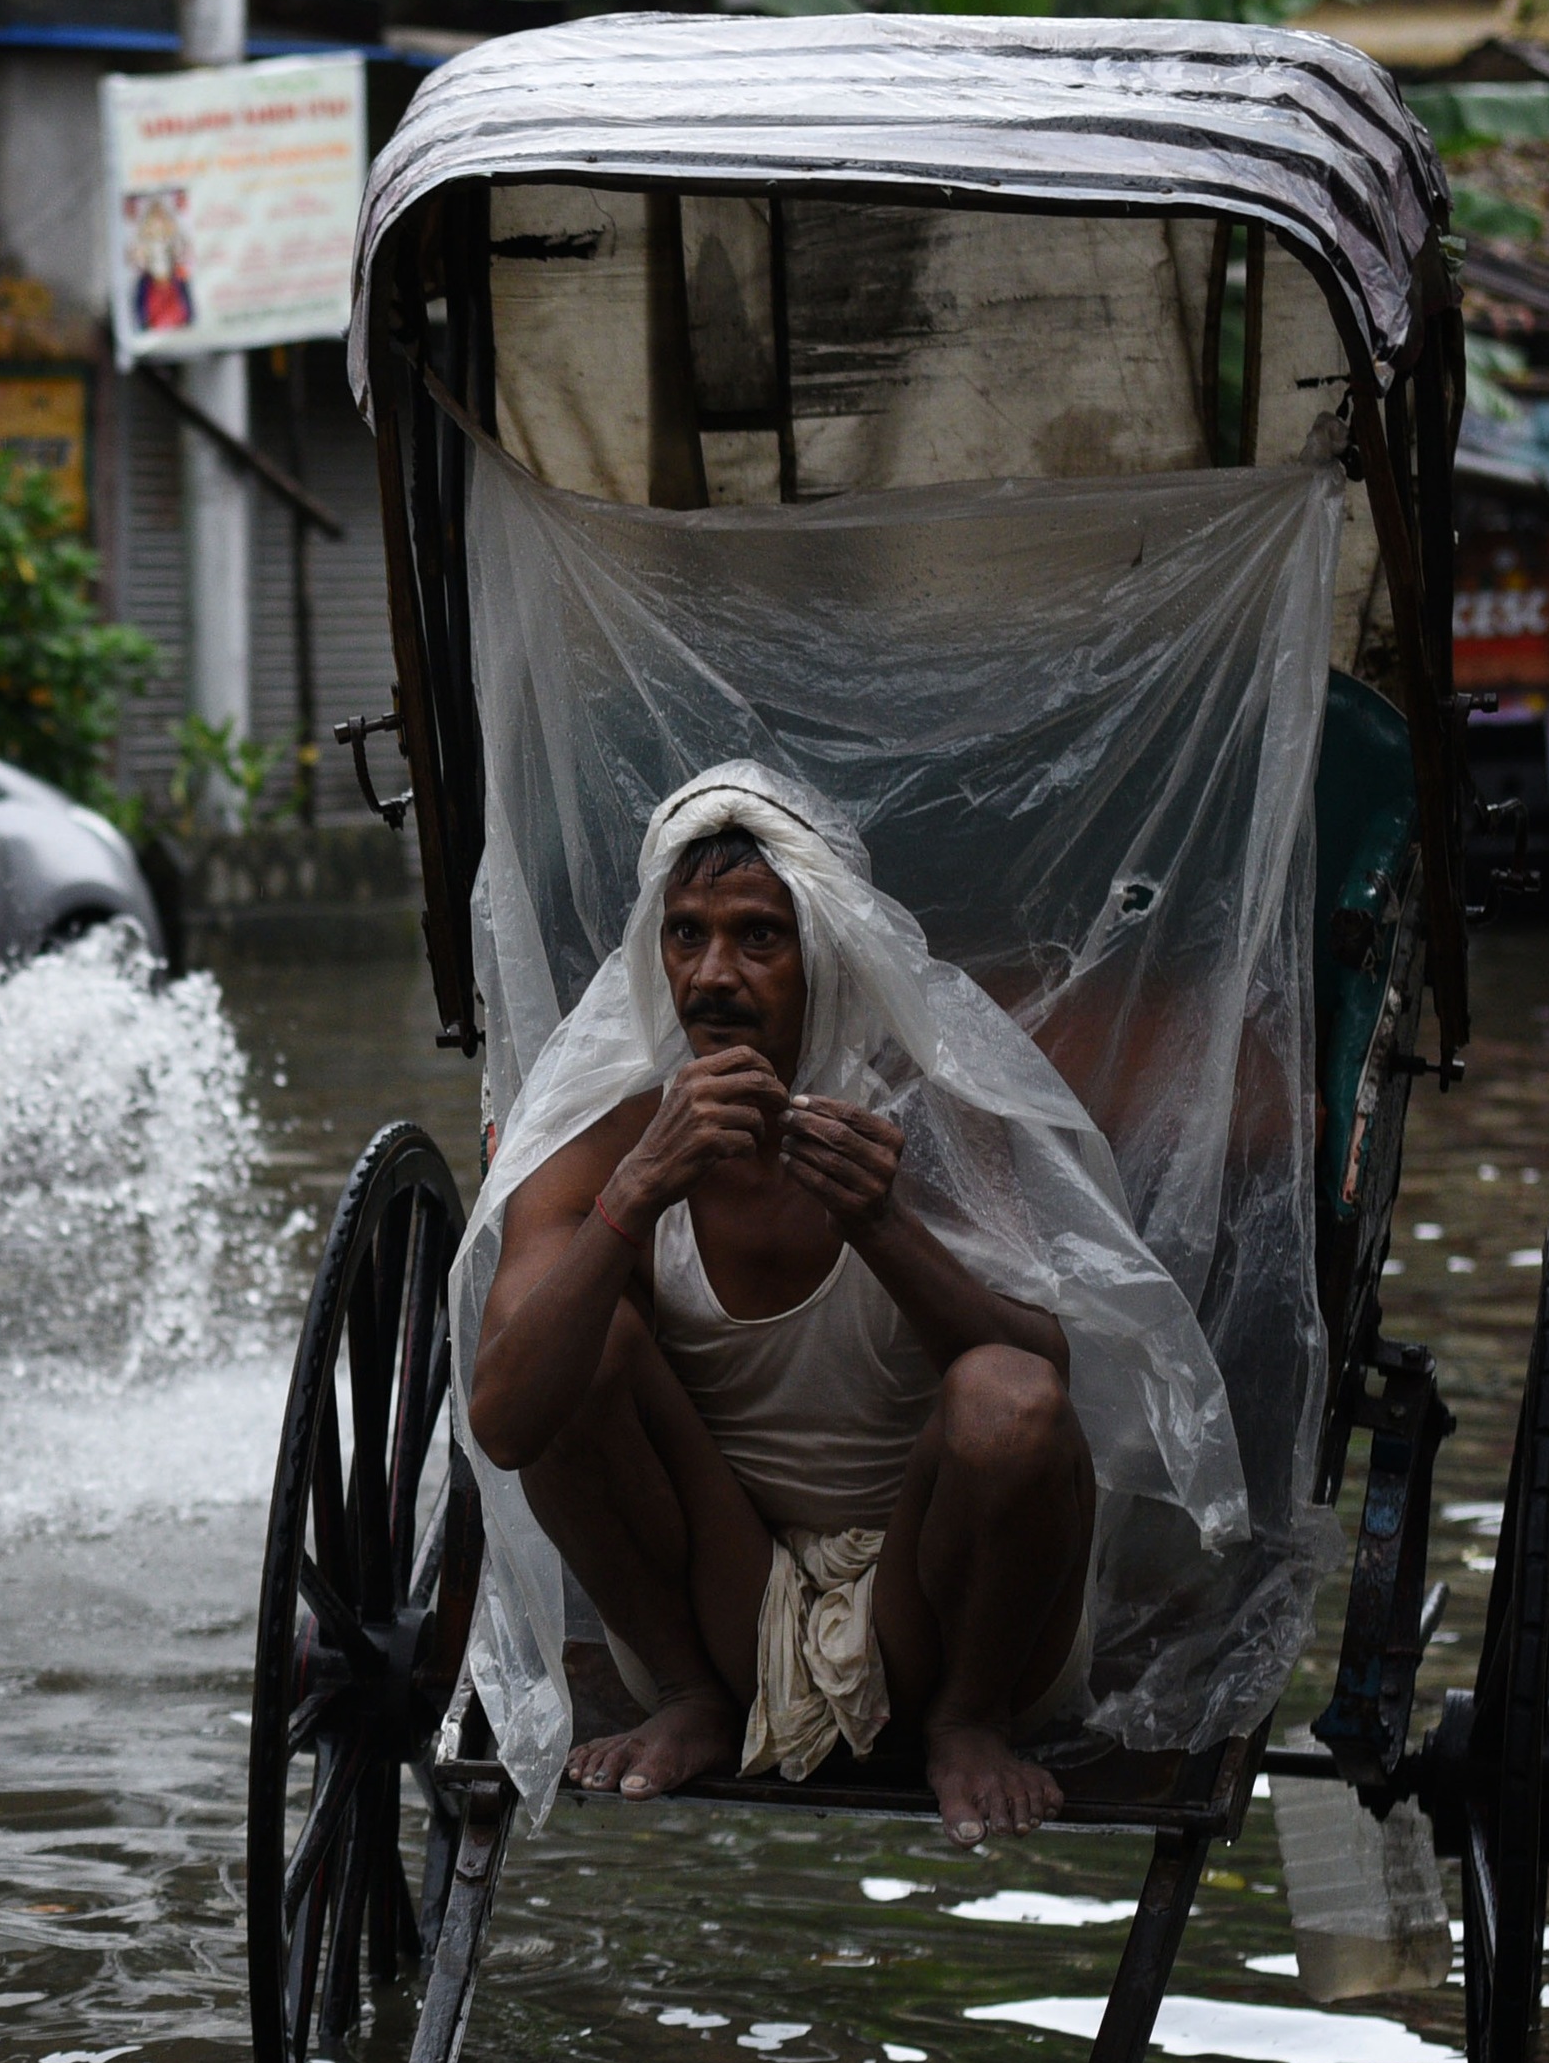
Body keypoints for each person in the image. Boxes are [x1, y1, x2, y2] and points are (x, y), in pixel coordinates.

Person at [464, 769, 1116, 1844]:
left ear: (830, 951)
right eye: (684, 936)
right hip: (716, 1611)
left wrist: (883, 1224)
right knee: (577, 1350)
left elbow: (1039, 1397)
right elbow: (503, 1416)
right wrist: (632, 1197)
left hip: (949, 1611)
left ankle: (965, 1723)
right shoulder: (604, 1132)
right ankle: (690, 1702)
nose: (711, 976)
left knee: (1004, 1395)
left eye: (757, 938)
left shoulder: (928, 1112)